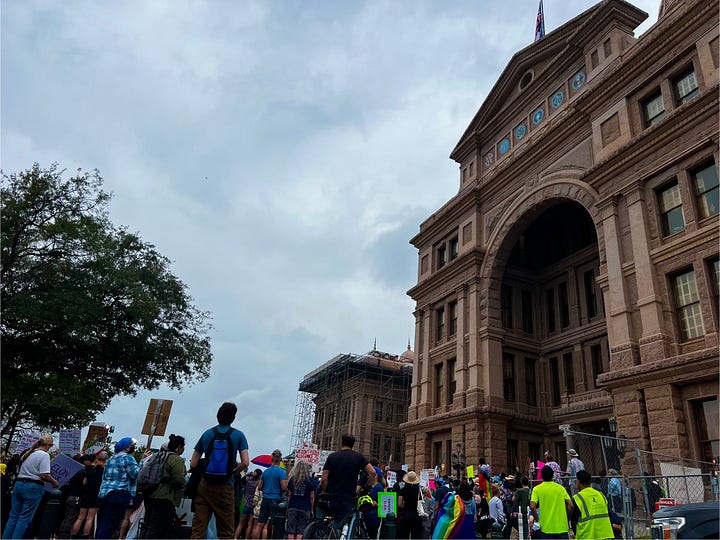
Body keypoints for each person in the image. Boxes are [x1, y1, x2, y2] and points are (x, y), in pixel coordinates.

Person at [190, 402, 250, 539]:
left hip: (204, 486)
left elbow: (193, 464)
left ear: (217, 415)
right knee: (226, 531)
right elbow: (245, 462)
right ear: (233, 418)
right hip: (225, 486)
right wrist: (232, 472)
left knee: (198, 529)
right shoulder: (238, 435)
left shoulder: (207, 434)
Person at [2, 435, 60, 540]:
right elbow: (44, 475)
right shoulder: (44, 455)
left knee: (13, 516)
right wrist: (54, 482)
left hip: (19, 484)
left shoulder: (28, 454)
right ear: (48, 445)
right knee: (24, 518)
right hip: (33, 487)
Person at [320, 434, 376, 524]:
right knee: (344, 523)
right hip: (349, 495)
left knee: (333, 522)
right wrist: (369, 485)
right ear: (352, 444)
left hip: (333, 495)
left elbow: (323, 479)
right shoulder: (358, 457)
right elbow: (372, 472)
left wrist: (325, 490)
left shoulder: (332, 457)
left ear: (342, 443)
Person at [143, 434, 187, 538]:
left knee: (148, 524)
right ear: (179, 447)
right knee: (158, 528)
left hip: (149, 494)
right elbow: (180, 480)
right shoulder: (176, 459)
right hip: (165, 497)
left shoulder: (156, 456)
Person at [95, 437, 140, 539]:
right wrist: (141, 464)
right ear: (128, 448)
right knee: (111, 524)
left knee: (102, 522)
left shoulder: (111, 459)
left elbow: (105, 476)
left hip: (104, 493)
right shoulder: (128, 458)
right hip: (119, 493)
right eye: (133, 446)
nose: (134, 448)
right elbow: (135, 474)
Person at [530, 465, 573, 539]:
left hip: (546, 528)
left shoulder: (537, 489)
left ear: (542, 476)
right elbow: (571, 505)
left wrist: (537, 519)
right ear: (553, 475)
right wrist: (567, 518)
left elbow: (532, 506)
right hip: (562, 528)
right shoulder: (561, 488)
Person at [252, 450, 287, 539]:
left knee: (260, 523)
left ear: (272, 458)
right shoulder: (281, 472)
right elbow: (283, 487)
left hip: (265, 498)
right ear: (280, 459)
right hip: (276, 499)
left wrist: (267, 489)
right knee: (274, 524)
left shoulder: (266, 472)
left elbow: (259, 487)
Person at [569, 470, 614, 540]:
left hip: (586, 536)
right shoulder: (601, 495)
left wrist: (575, 533)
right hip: (604, 535)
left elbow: (574, 520)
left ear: (578, 481)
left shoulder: (577, 498)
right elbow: (609, 515)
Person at [58, 454, 94, 538]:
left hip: (70, 495)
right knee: (72, 517)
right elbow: (84, 484)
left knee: (67, 516)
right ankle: (66, 536)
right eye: (89, 461)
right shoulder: (83, 473)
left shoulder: (74, 472)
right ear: (85, 461)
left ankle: (61, 534)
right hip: (77, 497)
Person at [285, 459, 316, 540]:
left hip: (293, 506)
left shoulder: (292, 480)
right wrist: (312, 509)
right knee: (301, 531)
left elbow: (289, 495)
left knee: (291, 531)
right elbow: (312, 497)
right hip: (305, 507)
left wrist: (288, 507)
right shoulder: (310, 481)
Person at [235, 469, 261, 539]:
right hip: (253, 506)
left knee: (241, 523)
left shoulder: (248, 481)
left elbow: (242, 480)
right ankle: (246, 538)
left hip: (246, 504)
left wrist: (248, 474)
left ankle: (235, 537)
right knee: (250, 524)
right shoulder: (258, 483)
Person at [397, 471, 424, 539]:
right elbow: (421, 501)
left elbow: (399, 504)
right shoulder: (419, 490)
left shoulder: (403, 489)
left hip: (405, 514)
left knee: (404, 535)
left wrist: (405, 505)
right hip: (416, 515)